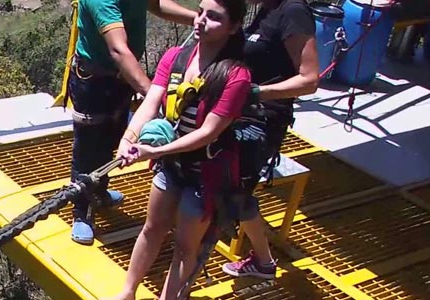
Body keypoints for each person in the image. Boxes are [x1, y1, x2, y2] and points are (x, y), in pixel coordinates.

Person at [108, 0, 252, 297]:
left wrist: (155, 152)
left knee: (186, 247)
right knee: (152, 228)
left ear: (234, 27)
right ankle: (128, 291)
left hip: (205, 173)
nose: (200, 21)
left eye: (213, 17)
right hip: (171, 165)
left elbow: (208, 132)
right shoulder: (176, 58)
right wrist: (128, 138)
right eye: (200, 12)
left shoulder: (235, 77)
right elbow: (152, 101)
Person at [66, 0, 198, 245]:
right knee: (89, 148)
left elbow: (156, 5)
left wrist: (196, 19)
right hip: (94, 82)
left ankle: (100, 191)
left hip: (121, 78)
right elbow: (118, 50)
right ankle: (82, 212)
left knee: (115, 137)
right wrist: (152, 93)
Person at [220, 0, 319, 279]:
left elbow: (309, 80)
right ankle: (263, 260)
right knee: (234, 190)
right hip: (239, 114)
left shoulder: (293, 12)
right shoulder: (267, 8)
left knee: (234, 191)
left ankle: (261, 261)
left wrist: (255, 93)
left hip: (262, 121)